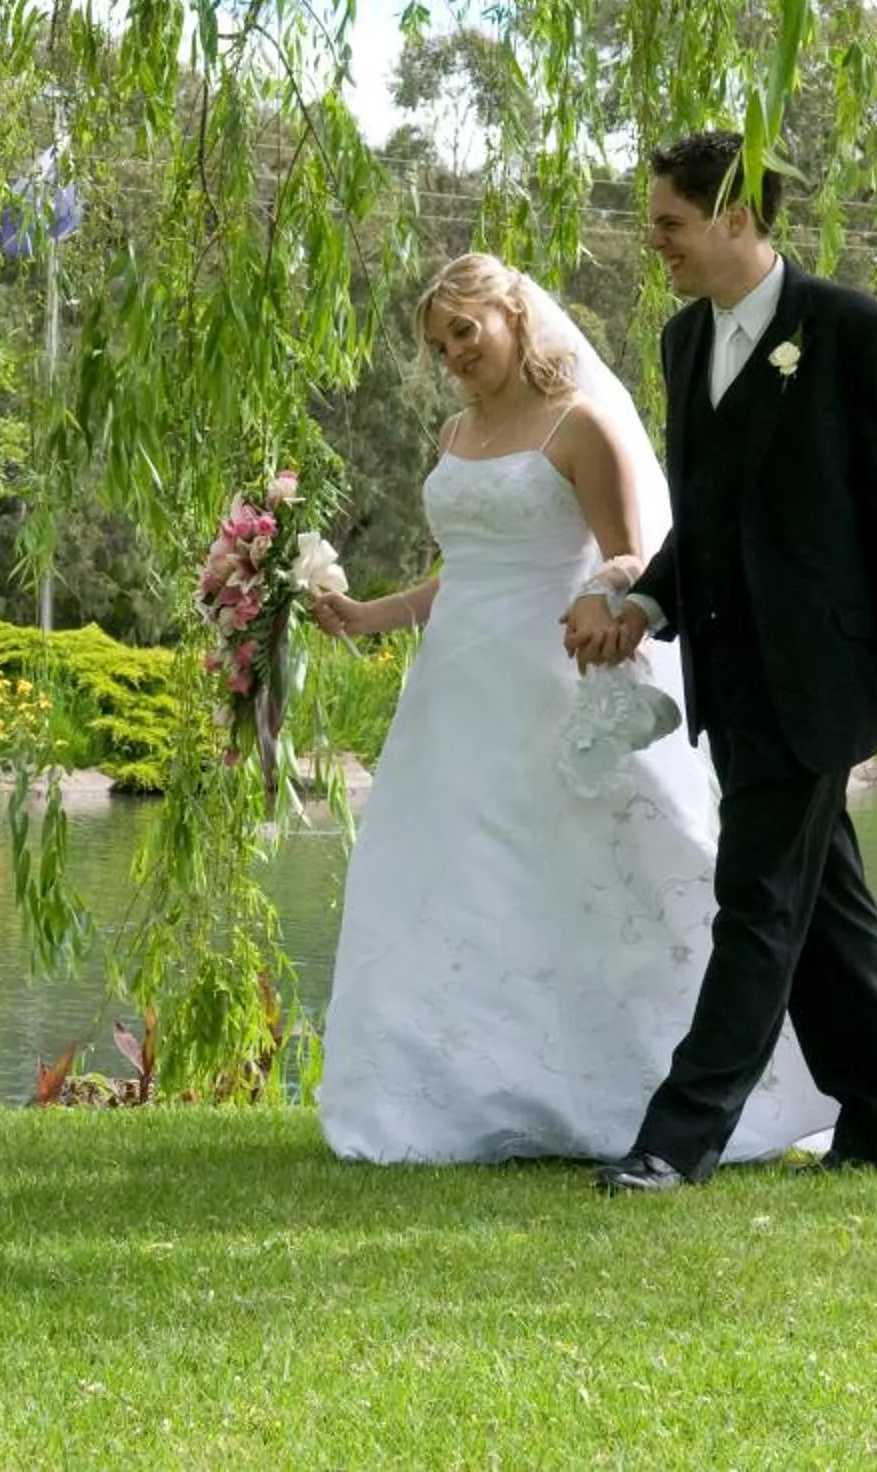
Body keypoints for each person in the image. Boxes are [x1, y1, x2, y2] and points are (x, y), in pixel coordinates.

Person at [307, 252, 836, 1165]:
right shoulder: (455, 436)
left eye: (464, 332)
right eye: (439, 346)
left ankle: (669, 1086)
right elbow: (461, 571)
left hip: (550, 678)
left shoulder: (580, 424)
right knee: (453, 879)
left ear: (513, 316)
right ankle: (454, 1098)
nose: (453, 356)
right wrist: (367, 617)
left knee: (590, 875)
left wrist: (602, 597)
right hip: (455, 692)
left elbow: (637, 557)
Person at [567, 130, 877, 1190]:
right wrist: (647, 597)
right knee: (823, 913)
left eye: (670, 223)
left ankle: (674, 1141)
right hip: (731, 681)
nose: (655, 242)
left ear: (736, 218)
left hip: (824, 679)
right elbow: (707, 516)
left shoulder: (851, 333)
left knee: (756, 905)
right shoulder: (682, 343)